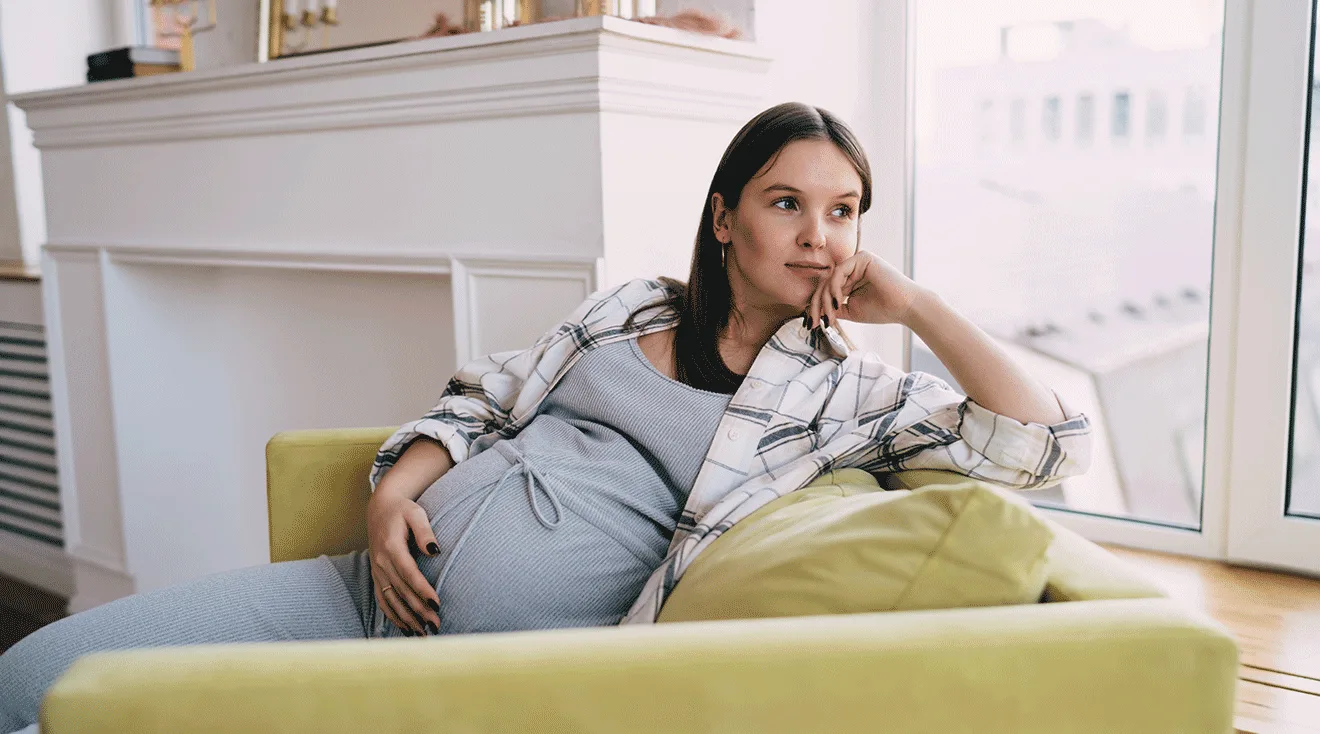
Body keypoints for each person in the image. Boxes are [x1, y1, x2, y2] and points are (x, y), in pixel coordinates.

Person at [0, 101, 1092, 733]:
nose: (820, 235)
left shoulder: (840, 395)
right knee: (32, 676)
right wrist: (392, 490)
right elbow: (489, 392)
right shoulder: (632, 307)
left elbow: (1044, 444)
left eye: (844, 211)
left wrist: (916, 304)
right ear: (724, 217)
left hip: (482, 668)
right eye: (786, 202)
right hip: (356, 598)